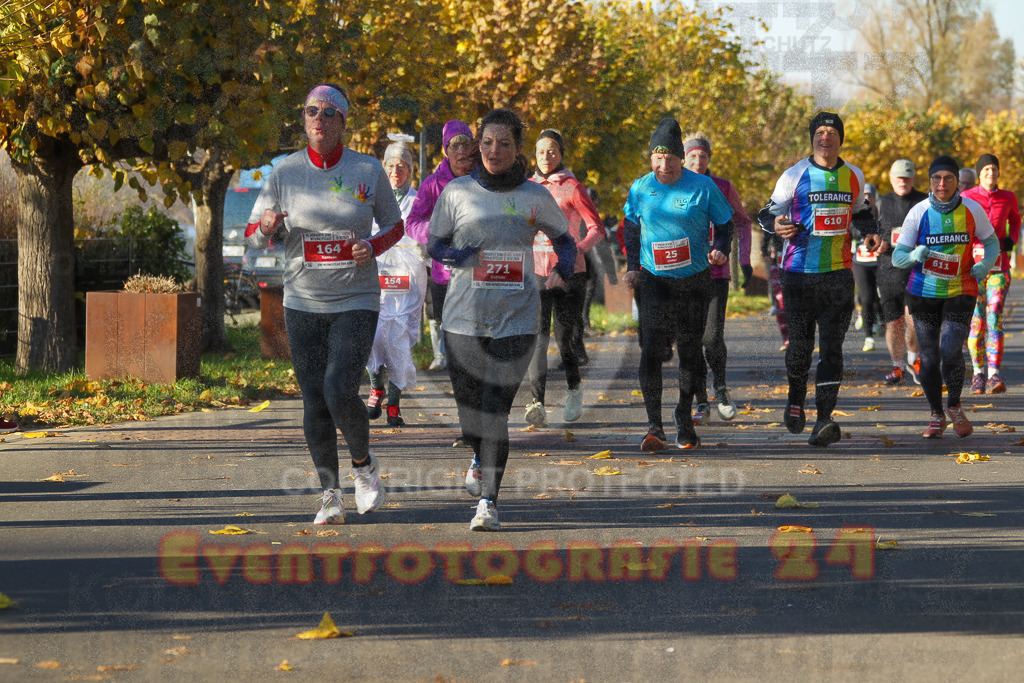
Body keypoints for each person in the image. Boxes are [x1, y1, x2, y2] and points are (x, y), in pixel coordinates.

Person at [246, 84, 398, 525]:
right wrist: (268, 229)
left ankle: (364, 466)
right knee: (314, 398)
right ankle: (330, 494)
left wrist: (371, 245)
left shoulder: (368, 169)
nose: (318, 118)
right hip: (303, 300)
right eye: (311, 110)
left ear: (343, 121)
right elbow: (253, 235)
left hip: (356, 297)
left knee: (338, 389)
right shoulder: (284, 172)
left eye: (329, 112)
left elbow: (395, 225)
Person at [427, 109, 576, 531]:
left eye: (504, 143)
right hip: (461, 321)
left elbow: (564, 242)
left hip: (517, 319)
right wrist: (458, 255)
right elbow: (435, 244)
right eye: (487, 143)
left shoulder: (534, 196)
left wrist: (561, 268)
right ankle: (477, 453)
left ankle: (488, 503)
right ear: (478, 146)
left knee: (495, 413)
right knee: (471, 413)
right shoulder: (456, 192)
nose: (495, 151)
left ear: (517, 148)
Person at [758, 112, 880, 447]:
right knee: (799, 348)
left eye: (831, 132)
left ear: (840, 139)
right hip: (798, 274)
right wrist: (778, 224)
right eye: (820, 132)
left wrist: (870, 234)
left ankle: (824, 418)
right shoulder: (794, 174)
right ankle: (795, 400)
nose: (825, 137)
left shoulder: (854, 174)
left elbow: (861, 212)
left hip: (838, 275)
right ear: (813, 138)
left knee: (832, 350)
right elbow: (766, 213)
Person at [621, 118, 735, 451]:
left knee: (689, 352)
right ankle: (653, 426)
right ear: (651, 157)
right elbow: (630, 227)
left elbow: (725, 224)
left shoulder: (702, 186)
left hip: (694, 281)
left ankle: (684, 419)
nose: (664, 164)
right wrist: (632, 266)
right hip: (655, 281)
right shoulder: (641, 188)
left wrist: (721, 249)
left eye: (671, 157)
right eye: (658, 156)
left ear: (681, 157)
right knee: (651, 350)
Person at [891, 155, 998, 438]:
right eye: (937, 178)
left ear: (956, 182)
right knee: (928, 357)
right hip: (924, 293)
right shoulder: (918, 212)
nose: (942, 183)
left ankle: (954, 405)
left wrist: (985, 264)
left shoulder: (973, 210)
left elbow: (991, 241)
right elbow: (898, 258)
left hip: (961, 289)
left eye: (948, 178)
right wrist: (915, 254)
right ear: (929, 182)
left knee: (951, 349)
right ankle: (936, 414)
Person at [524, 129, 605, 426]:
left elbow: (597, 228)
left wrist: (576, 251)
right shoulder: (528, 187)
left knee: (565, 339)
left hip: (570, 275)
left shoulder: (573, 187)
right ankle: (537, 402)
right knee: (538, 338)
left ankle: (574, 389)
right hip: (537, 272)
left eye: (552, 151)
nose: (546, 157)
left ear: (561, 154)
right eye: (541, 151)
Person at [681, 132, 751, 423]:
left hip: (715, 274)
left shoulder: (721, 186)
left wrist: (743, 260)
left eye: (703, 156)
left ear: (709, 159)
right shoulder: (673, 186)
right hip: (682, 274)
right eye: (693, 156)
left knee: (711, 337)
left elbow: (743, 223)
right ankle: (700, 402)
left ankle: (720, 389)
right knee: (690, 340)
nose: (698, 161)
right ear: (684, 158)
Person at [407, 121, 479, 371]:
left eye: (465, 144)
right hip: (445, 270)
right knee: (446, 323)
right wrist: (435, 231)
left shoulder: (485, 178)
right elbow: (412, 223)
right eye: (454, 145)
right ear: (445, 150)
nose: (461, 151)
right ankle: (448, 361)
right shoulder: (432, 184)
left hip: (481, 270)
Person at [364, 140, 427, 427]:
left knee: (398, 339)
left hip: (408, 277)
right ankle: (376, 386)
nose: (394, 171)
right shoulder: (372, 198)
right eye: (390, 165)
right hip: (377, 273)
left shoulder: (417, 201)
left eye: (401, 166)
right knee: (373, 334)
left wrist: (422, 250)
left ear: (410, 170)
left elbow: (424, 232)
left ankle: (394, 402)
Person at [962, 153, 1020, 394]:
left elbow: (1016, 221)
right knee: (977, 323)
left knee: (994, 316)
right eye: (985, 170)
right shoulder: (966, 197)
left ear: (999, 173)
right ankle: (977, 374)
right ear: (979, 174)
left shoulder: (1008, 197)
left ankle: (994, 375)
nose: (990, 174)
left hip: (999, 267)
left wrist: (1011, 240)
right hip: (973, 270)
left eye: (994, 169)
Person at [875, 159, 927, 386]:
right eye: (899, 177)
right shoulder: (881, 202)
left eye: (907, 177)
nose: (903, 181)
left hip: (916, 270)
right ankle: (897, 366)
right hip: (888, 270)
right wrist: (876, 244)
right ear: (890, 178)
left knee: (914, 319)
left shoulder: (924, 200)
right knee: (894, 323)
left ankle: (914, 361)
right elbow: (867, 232)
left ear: (913, 178)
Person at [852, 183, 881, 352]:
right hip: (861, 262)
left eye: (870, 194)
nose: (867, 198)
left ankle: (879, 320)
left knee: (880, 297)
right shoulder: (856, 214)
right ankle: (869, 336)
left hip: (880, 262)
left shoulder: (880, 214)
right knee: (867, 298)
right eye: (865, 195)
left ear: (875, 198)